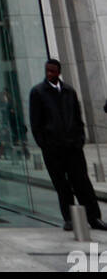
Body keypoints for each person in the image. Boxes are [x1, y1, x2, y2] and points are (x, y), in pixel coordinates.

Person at [29, 59, 107, 232]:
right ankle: (70, 219)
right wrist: (45, 145)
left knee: (82, 183)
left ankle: (93, 217)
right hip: (53, 148)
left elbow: (78, 119)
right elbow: (35, 123)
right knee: (62, 186)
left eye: (52, 71)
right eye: (47, 71)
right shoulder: (38, 92)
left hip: (72, 147)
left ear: (59, 72)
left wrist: (79, 139)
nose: (49, 74)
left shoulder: (69, 92)